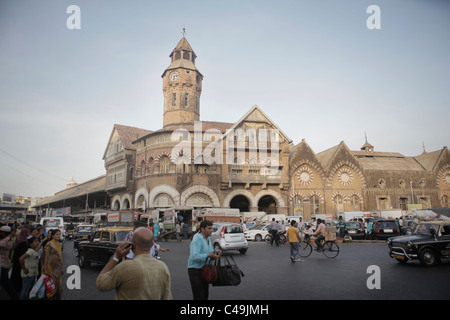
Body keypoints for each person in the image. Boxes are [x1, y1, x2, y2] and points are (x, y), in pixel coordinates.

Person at [96, 227, 172, 300]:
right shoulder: (163, 267)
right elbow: (167, 297)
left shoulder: (125, 267)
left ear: (133, 245)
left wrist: (116, 257)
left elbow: (101, 284)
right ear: (152, 244)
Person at [187, 220, 221, 300]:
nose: (211, 230)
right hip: (195, 270)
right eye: (209, 228)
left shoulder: (208, 239)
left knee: (205, 294)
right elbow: (194, 257)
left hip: (205, 269)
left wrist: (216, 253)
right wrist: (209, 255)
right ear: (202, 229)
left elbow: (210, 252)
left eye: (211, 228)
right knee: (199, 296)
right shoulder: (196, 240)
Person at [42, 229, 64, 299]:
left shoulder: (58, 244)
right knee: (51, 287)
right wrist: (45, 269)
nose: (58, 236)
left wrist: (61, 268)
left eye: (59, 234)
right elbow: (46, 257)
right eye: (57, 234)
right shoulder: (49, 244)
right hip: (50, 268)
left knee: (58, 286)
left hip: (58, 268)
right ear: (52, 235)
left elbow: (60, 257)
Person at [0, 226, 19, 300]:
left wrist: (8, 236)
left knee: (7, 284)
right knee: (6, 284)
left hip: (2, 265)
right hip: (3, 265)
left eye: (1, 232)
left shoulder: (6, 241)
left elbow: (2, 244)